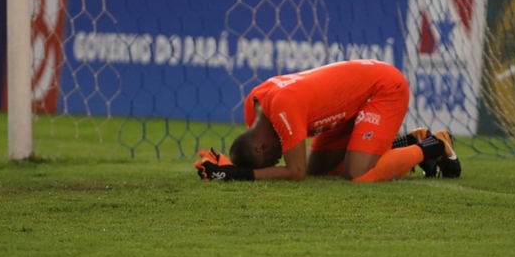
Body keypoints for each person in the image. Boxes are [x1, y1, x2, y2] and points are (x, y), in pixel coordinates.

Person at [195, 59, 461, 182]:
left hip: (382, 89)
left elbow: (294, 173)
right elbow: (299, 170)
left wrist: (235, 175)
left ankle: (436, 145)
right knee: (317, 169)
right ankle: (410, 140)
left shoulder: (282, 106)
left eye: (271, 160)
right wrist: (230, 165)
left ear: (260, 147)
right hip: (343, 111)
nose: (278, 161)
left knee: (357, 174)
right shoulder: (254, 110)